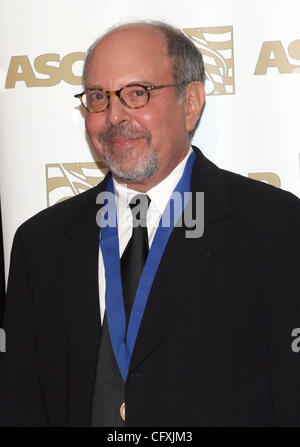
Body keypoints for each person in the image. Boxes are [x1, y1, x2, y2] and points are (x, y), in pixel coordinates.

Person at [0, 20, 300, 427]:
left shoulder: (275, 227)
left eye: (136, 94)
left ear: (190, 102)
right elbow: (23, 403)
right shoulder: (40, 243)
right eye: (97, 97)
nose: (114, 116)